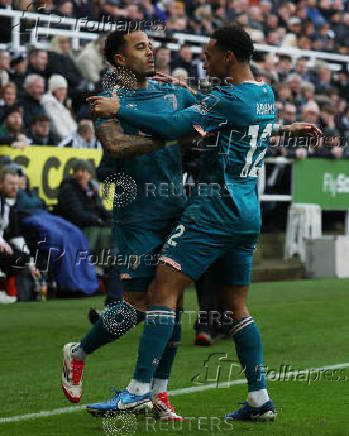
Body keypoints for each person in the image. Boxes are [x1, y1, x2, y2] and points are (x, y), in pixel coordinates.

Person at [87, 26, 321, 421]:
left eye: (209, 54)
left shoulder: (226, 98)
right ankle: (258, 398)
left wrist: (119, 110)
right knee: (236, 307)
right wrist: (285, 130)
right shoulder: (263, 93)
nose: (203, 62)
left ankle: (138, 391)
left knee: (162, 289)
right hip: (248, 213)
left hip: (213, 211)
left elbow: (171, 127)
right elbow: (235, 119)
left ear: (228, 57)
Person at [61, 28, 202, 422]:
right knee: (140, 303)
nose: (150, 50)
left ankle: (159, 394)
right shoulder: (107, 100)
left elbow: (211, 115)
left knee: (172, 303)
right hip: (136, 214)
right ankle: (79, 352)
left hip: (175, 209)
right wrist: (171, 134)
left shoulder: (175, 92)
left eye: (150, 45)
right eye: (140, 47)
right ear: (120, 60)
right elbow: (116, 146)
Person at [40, 75, 77, 141]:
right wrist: (70, 139)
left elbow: (70, 124)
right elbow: (56, 123)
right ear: (53, 90)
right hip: (61, 140)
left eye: (64, 89)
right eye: (60, 89)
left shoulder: (63, 104)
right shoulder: (49, 102)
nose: (63, 92)